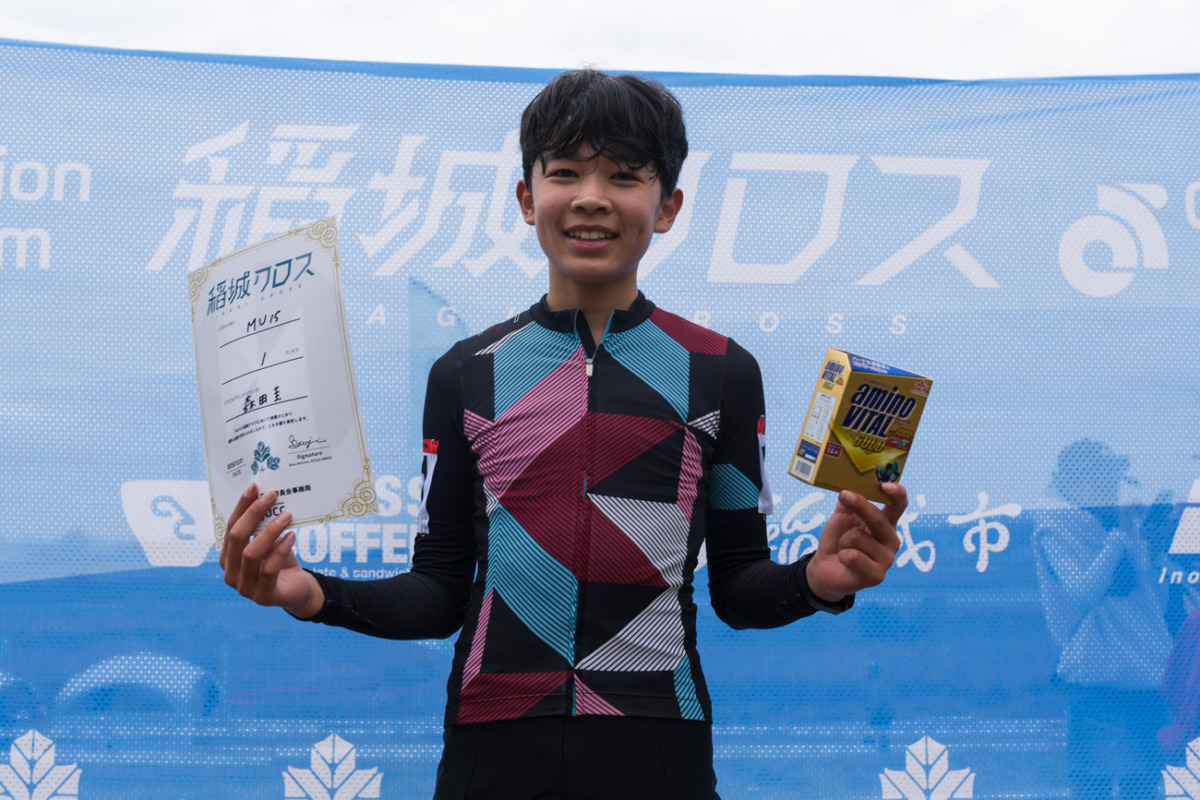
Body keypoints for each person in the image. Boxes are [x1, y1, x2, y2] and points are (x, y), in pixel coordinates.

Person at [220, 68, 905, 799]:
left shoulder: (722, 372)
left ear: (667, 207)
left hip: (657, 744)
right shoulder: (466, 374)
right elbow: (440, 592)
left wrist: (818, 582)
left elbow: (739, 588)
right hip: (492, 745)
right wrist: (311, 593)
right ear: (527, 198)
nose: (591, 197)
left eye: (624, 176)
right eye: (566, 172)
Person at [1033, 439, 1171, 800]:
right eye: (1103, 479)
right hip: (1100, 678)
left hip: (1145, 676)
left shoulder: (1114, 524)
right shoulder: (1058, 526)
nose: (1112, 487)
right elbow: (1084, 591)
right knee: (1093, 785)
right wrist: (1120, 537)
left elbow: (1149, 603)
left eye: (1114, 478)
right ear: (1076, 482)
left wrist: (1151, 550)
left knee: (1143, 787)